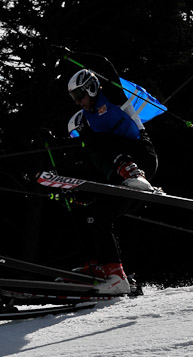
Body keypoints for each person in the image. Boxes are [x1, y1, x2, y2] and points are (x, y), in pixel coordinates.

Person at [62, 55, 158, 295]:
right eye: (74, 99)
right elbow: (93, 160)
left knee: (94, 142)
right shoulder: (87, 120)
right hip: (118, 169)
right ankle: (101, 268)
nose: (78, 102)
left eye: (80, 96)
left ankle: (115, 277)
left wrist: (71, 56)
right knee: (91, 215)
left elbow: (107, 65)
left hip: (140, 155)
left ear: (92, 88)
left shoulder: (113, 97)